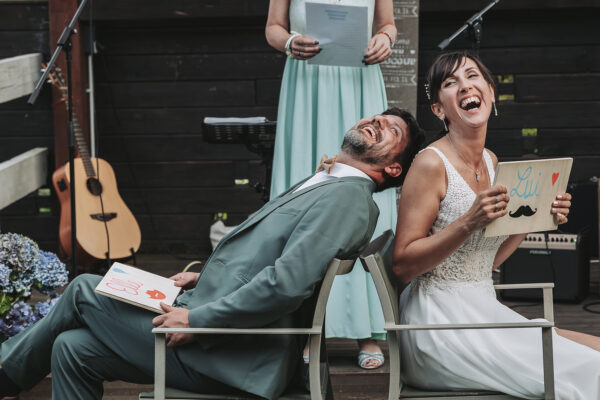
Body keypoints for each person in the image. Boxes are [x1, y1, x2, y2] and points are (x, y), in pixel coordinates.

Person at [0, 108, 425, 400]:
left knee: (83, 289)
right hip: (216, 328)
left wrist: (199, 320)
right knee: (72, 348)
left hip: (231, 352)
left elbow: (288, 283)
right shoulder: (331, 183)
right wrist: (203, 278)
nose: (375, 122)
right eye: (377, 117)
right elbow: (269, 258)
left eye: (390, 130)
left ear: (392, 169)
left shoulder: (348, 198)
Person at [393, 50, 600, 399]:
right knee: (588, 369)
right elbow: (401, 266)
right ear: (438, 109)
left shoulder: (491, 162)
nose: (464, 86)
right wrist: (468, 222)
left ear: (490, 92)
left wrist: (536, 218)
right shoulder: (430, 164)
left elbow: (483, 263)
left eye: (472, 76)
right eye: (449, 82)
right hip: (439, 328)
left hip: (484, 312)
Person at [266, 0, 397, 369]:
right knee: (308, 189)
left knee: (365, 189)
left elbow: (387, 24)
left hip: (359, 82)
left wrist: (385, 40)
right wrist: (290, 42)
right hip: (307, 85)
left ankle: (369, 328)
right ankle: (309, 326)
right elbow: (273, 27)